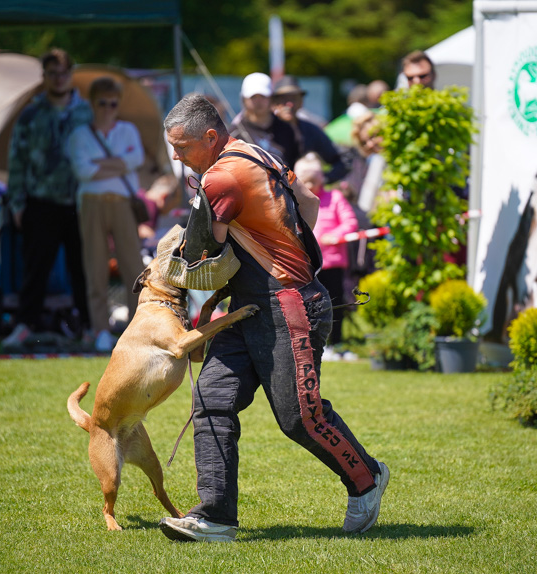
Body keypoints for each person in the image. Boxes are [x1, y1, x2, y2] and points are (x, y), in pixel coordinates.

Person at [159, 94, 389, 542]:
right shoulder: (254, 150)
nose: (176, 156)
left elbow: (205, 256)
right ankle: (215, 515)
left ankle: (367, 477)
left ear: (210, 137)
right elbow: (308, 201)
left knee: (298, 417)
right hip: (256, 303)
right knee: (212, 400)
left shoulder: (220, 177)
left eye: (182, 147)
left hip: (288, 306)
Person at [3, 48, 93, 349]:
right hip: (40, 202)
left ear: (71, 75)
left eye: (64, 73)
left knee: (84, 269)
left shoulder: (87, 113)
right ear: (44, 77)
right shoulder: (30, 113)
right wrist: (16, 202)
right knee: (35, 269)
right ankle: (25, 326)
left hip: (81, 202)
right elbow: (16, 160)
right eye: (52, 73)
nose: (58, 79)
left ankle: (91, 328)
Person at [66, 76, 145, 352]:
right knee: (95, 266)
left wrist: (102, 164)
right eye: (103, 103)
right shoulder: (79, 134)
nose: (109, 108)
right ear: (92, 103)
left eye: (114, 103)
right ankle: (100, 329)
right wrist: (119, 164)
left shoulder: (128, 129)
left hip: (122, 203)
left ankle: (137, 327)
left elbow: (136, 160)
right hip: (91, 202)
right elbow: (82, 171)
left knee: (133, 266)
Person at [293, 153, 358, 361]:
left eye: (314, 180)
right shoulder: (295, 201)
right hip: (307, 264)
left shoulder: (335, 197)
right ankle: (312, 342)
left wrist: (335, 236)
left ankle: (336, 342)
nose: (310, 185)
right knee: (310, 305)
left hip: (332, 263)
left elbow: (351, 223)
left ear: (322, 179)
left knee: (336, 303)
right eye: (306, 181)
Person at [272, 75, 348, 184]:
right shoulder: (263, 132)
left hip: (303, 197)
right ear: (274, 102)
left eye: (293, 99)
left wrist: (322, 179)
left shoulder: (310, 131)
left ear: (301, 102)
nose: (289, 104)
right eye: (284, 99)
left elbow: (343, 160)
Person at [229, 72, 299, 168]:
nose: (258, 101)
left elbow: (296, 163)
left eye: (263, 96)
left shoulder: (287, 130)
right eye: (253, 97)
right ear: (244, 99)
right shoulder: (234, 133)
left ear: (271, 98)